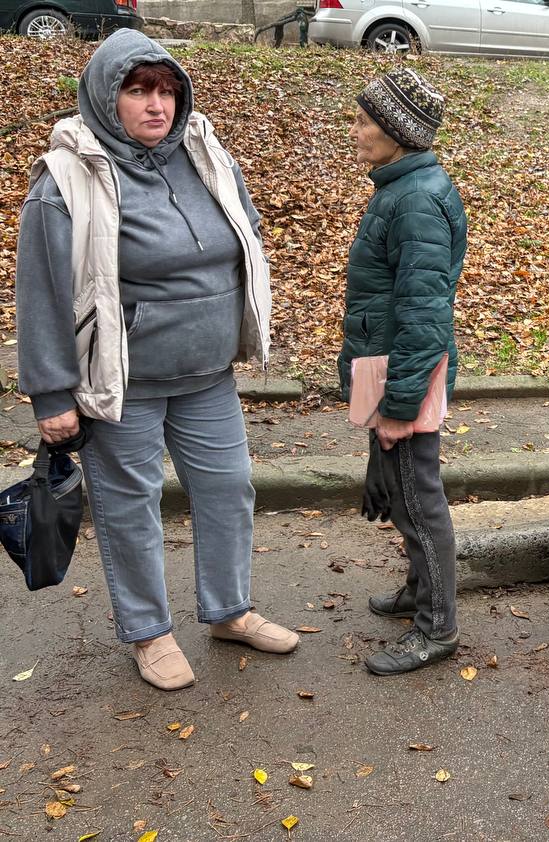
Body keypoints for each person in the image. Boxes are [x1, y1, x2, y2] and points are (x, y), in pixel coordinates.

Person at [16, 29, 295, 692]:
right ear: (107, 98)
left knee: (229, 489)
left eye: (166, 90)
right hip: (124, 384)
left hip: (206, 375)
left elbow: (246, 231)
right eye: (138, 89)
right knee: (130, 506)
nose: (156, 105)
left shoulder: (205, 155)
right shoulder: (67, 180)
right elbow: (42, 290)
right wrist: (51, 395)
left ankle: (229, 610)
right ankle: (149, 632)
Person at [338, 67, 468, 676]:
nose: (357, 130)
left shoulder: (414, 200)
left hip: (403, 372)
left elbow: (423, 315)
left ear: (397, 132)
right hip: (388, 365)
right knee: (400, 489)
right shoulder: (401, 188)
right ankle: (421, 591)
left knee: (417, 499)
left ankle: (437, 627)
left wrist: (397, 407)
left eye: (366, 121)